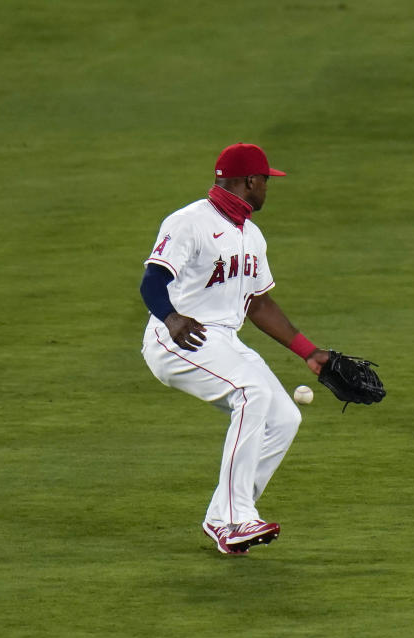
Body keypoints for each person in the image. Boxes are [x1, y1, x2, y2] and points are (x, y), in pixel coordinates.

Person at [140, 143, 330, 554]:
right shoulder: (189, 222)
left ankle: (220, 518)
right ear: (249, 181)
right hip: (177, 337)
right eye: (265, 180)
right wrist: (171, 318)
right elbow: (152, 281)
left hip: (223, 340)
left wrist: (309, 352)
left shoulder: (251, 234)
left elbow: (258, 303)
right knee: (253, 393)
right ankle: (237, 518)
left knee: (284, 418)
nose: (267, 188)